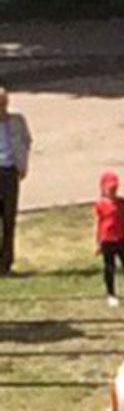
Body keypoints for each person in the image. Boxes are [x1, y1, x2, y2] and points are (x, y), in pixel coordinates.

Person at [0, 87, 31, 276]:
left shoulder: (17, 122)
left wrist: (22, 164)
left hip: (10, 172)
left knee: (9, 220)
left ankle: (6, 264)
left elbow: (26, 141)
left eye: (4, 104)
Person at [93, 171, 124, 307]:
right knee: (109, 267)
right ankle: (111, 293)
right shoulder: (100, 205)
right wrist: (97, 243)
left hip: (121, 238)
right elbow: (97, 224)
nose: (112, 191)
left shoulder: (122, 203)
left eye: (114, 188)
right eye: (110, 188)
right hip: (107, 240)